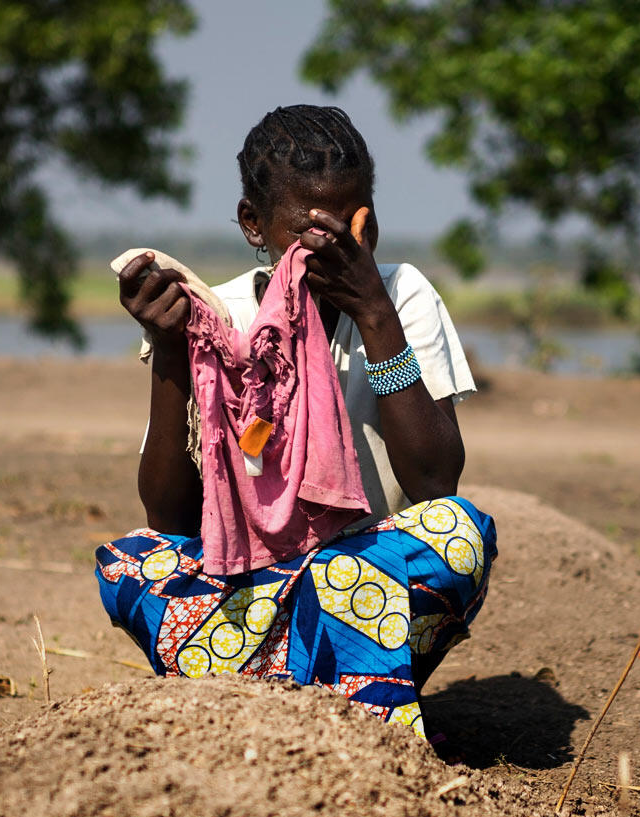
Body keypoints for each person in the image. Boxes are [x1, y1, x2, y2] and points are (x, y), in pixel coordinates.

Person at [94, 105, 497, 738]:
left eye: (355, 222)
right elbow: (168, 518)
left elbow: (434, 482)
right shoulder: (219, 314)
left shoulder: (399, 295)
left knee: (459, 533)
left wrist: (373, 315)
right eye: (311, 230)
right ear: (253, 224)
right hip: (248, 590)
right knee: (131, 564)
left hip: (371, 577)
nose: (336, 246)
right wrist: (171, 351)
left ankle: (281, 694)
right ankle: (328, 695)